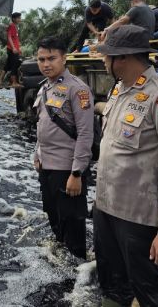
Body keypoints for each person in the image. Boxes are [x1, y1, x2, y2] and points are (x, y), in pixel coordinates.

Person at [94, 25, 158, 307]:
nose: (103, 61)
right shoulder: (120, 90)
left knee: (153, 295)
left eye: (106, 56)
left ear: (122, 58)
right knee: (112, 285)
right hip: (106, 209)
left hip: (141, 221)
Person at [32, 36, 94, 259]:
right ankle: (60, 258)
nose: (46, 64)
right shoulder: (45, 88)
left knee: (72, 220)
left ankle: (77, 265)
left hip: (67, 168)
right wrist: (37, 153)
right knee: (52, 213)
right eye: (41, 59)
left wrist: (77, 172)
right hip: (46, 164)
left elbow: (86, 133)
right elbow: (42, 122)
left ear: (64, 58)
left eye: (51, 58)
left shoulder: (77, 90)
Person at [0, 12, 23, 87]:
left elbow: (15, 39)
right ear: (14, 19)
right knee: (14, 65)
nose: (19, 19)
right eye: (18, 18)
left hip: (13, 49)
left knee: (7, 65)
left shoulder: (15, 26)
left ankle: (0, 81)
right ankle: (14, 83)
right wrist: (14, 48)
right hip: (12, 49)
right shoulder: (11, 26)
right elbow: (9, 37)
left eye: (20, 18)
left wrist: (18, 48)